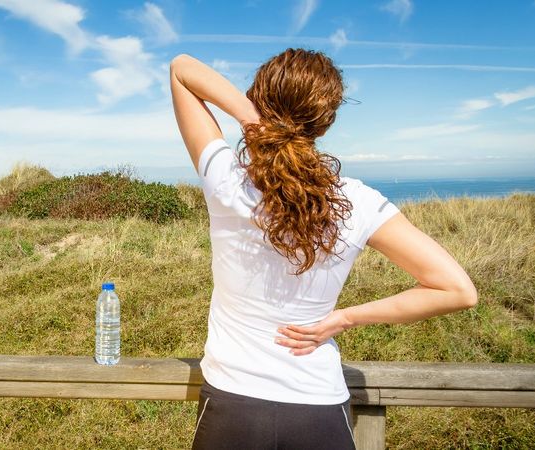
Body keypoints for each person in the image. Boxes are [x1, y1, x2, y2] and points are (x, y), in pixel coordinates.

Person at [169, 49, 478, 449]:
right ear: (326, 122)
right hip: (317, 408)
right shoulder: (358, 202)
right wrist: (342, 319)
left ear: (258, 99)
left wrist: (257, 122)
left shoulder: (225, 181)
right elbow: (457, 290)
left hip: (232, 403)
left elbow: (182, 69)